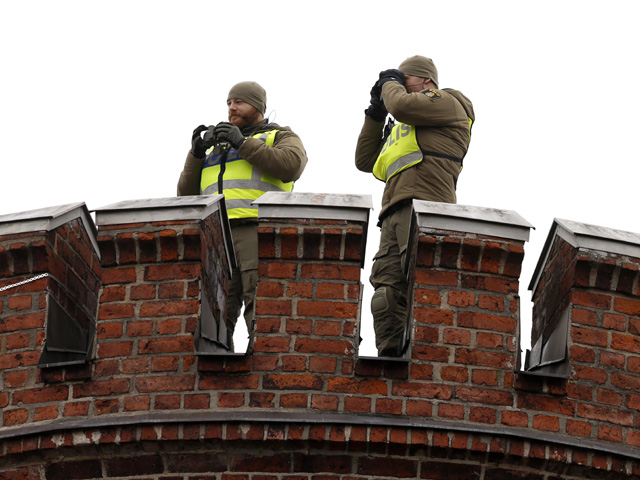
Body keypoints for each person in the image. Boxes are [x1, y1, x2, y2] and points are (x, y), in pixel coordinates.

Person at [355, 56, 475, 357]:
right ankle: (390, 361)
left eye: (403, 79)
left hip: (425, 206)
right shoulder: (405, 124)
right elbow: (365, 160)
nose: (396, 85)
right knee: (385, 294)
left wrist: (389, 85)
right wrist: (375, 113)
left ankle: (430, 358)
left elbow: (401, 105)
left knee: (424, 284)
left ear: (425, 80)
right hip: (391, 212)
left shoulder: (448, 102)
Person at [178, 81, 307, 351]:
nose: (232, 108)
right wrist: (196, 154)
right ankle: (216, 366)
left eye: (239, 102)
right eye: (229, 103)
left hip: (256, 229)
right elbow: (185, 196)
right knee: (213, 312)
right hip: (217, 235)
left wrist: (241, 142)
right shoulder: (217, 147)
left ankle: (262, 360)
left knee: (260, 301)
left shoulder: (278, 135)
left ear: (258, 107)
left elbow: (292, 165)